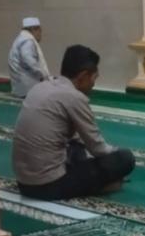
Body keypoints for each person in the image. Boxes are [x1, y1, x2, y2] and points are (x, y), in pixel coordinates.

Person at [12, 44, 135, 201]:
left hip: (23, 183)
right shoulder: (74, 97)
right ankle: (101, 186)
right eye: (94, 78)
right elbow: (98, 148)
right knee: (125, 158)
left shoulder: (40, 87)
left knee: (77, 146)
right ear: (83, 76)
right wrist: (115, 153)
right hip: (47, 187)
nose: (93, 84)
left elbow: (77, 139)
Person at [8, 16, 51, 98]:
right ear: (34, 29)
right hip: (28, 87)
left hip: (23, 85)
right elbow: (29, 60)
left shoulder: (21, 39)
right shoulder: (27, 40)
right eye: (40, 31)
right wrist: (43, 75)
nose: (40, 35)